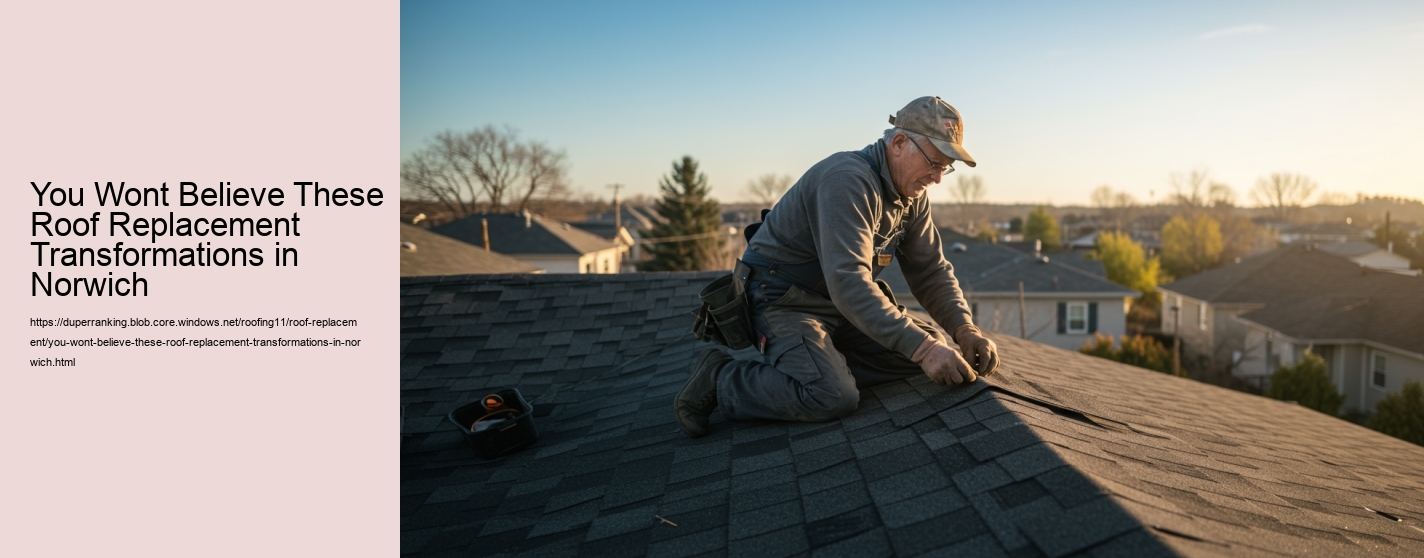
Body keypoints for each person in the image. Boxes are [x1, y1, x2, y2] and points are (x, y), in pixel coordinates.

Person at [675, 96, 1000, 438]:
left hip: (838, 304)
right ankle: (722, 377)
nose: (937, 179)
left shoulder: (911, 197)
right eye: (934, 163)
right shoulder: (847, 180)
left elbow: (930, 270)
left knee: (933, 345)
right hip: (783, 300)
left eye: (945, 167)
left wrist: (964, 330)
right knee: (833, 395)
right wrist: (923, 350)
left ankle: (823, 362)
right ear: (900, 143)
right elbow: (849, 281)